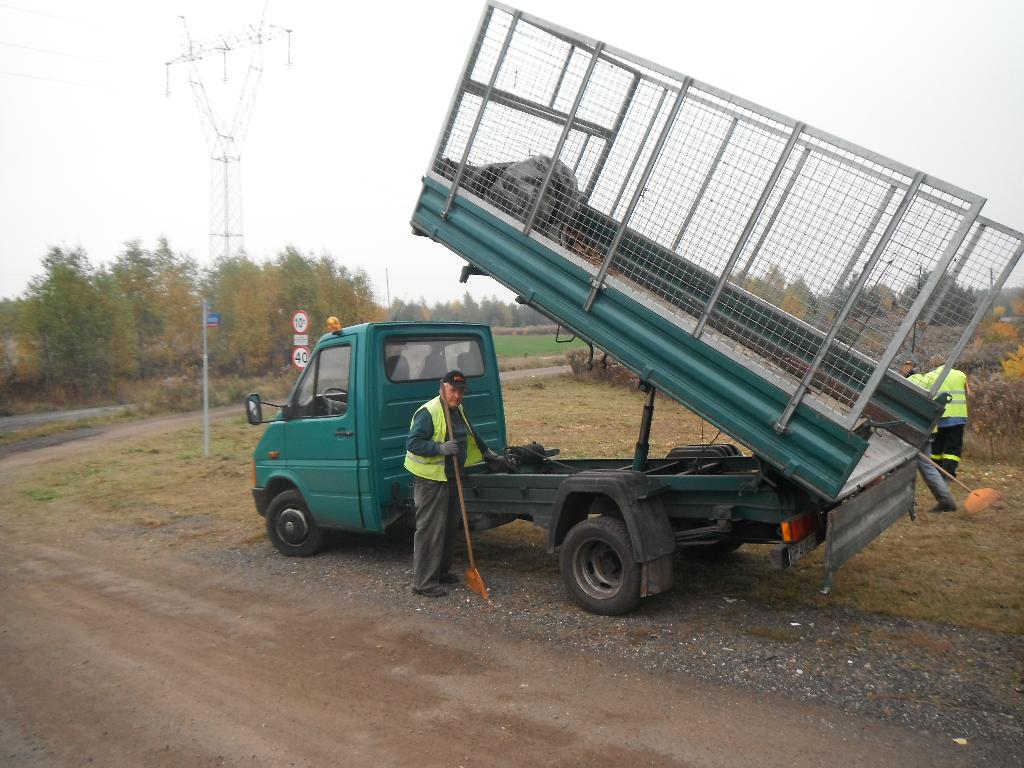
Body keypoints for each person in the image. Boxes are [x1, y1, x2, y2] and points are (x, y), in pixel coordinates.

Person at [404, 370, 512, 597]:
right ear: (442, 388)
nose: (457, 396)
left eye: (461, 391)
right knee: (430, 531)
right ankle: (423, 583)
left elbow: (472, 435)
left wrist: (488, 453)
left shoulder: (458, 409)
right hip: (431, 480)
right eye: (453, 391)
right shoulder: (429, 411)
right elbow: (413, 443)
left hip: (453, 477)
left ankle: (441, 572)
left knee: (449, 528)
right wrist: (439, 448)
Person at [903, 354, 961, 513]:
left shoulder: (926, 377)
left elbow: (911, 383)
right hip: (933, 426)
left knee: (903, 465)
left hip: (919, 428)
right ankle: (946, 500)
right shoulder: (959, 373)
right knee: (929, 465)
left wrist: (908, 375)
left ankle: (903, 502)